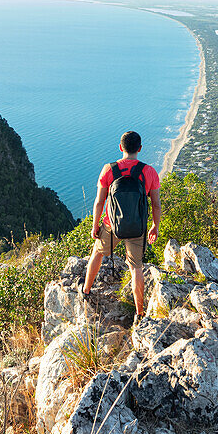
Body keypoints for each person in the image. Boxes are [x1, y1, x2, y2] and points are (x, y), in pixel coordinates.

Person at [82, 130, 161, 317]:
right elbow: (156, 204)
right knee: (136, 268)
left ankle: (86, 291)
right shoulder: (148, 171)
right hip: (137, 227)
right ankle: (140, 313)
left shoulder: (108, 169)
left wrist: (95, 225)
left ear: (120, 147)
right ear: (140, 149)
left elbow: (99, 202)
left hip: (111, 225)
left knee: (96, 254)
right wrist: (155, 226)